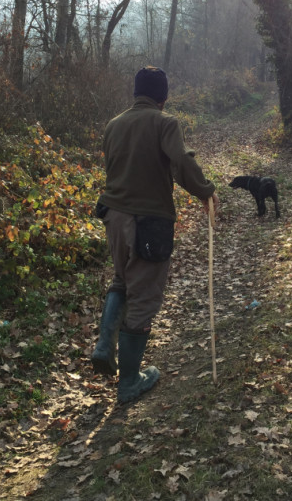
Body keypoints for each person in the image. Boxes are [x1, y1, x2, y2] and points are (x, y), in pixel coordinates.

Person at [91, 66, 219, 404]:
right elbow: (180, 163)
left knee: (122, 280)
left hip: (113, 218)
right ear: (164, 97)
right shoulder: (165, 123)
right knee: (144, 298)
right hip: (148, 223)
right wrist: (206, 191)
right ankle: (129, 382)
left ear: (136, 93)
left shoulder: (113, 125)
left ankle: (105, 345)